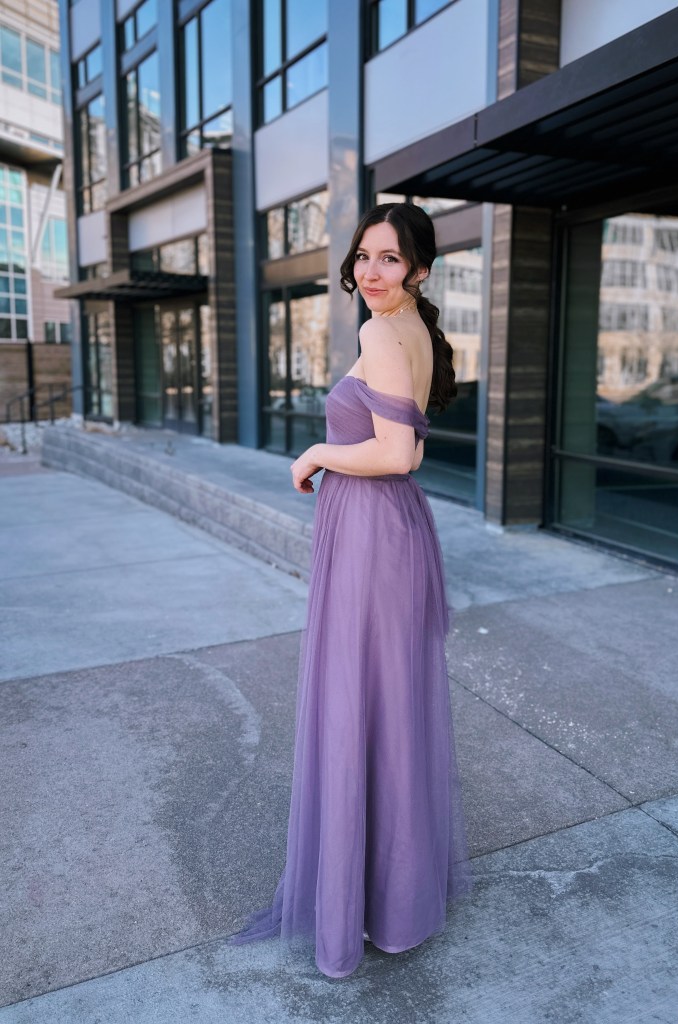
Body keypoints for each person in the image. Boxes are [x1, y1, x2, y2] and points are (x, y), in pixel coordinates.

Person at [232, 202, 472, 978]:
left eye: (391, 259)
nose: (372, 271)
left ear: (420, 270)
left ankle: (363, 909)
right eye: (365, 256)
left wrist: (313, 453)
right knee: (387, 708)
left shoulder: (380, 332)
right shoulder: (416, 334)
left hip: (374, 533)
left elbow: (399, 454)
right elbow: (409, 454)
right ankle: (392, 902)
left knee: (359, 705)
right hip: (387, 532)